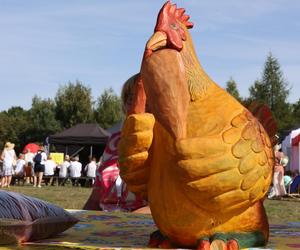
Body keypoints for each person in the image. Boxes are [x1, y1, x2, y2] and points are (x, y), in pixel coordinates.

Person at [83, 74, 147, 212]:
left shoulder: (164, 142)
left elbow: (168, 207)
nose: (133, 101)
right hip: (106, 224)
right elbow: (95, 199)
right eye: (129, 97)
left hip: (141, 225)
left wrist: (125, 221)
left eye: (141, 95)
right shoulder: (114, 141)